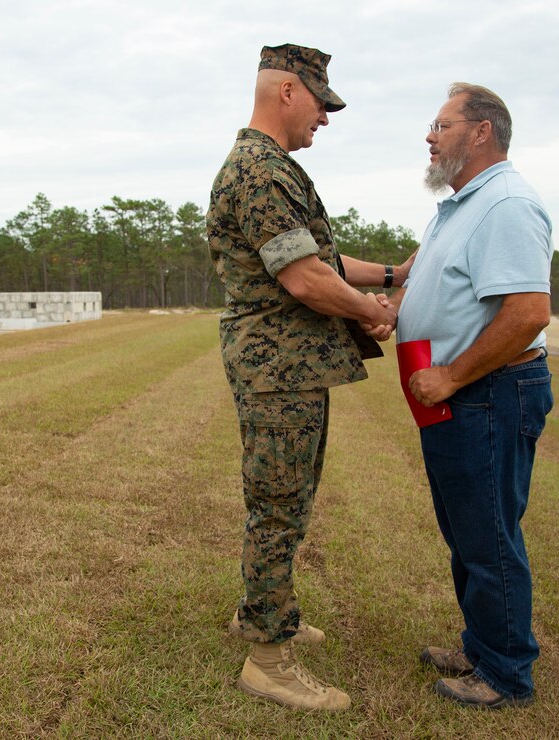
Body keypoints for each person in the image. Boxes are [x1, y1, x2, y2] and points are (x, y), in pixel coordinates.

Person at [207, 43, 407, 711]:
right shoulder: (261, 172)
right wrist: (372, 312)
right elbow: (304, 278)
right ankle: (268, 657)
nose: (324, 118)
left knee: (281, 500)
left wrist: (388, 276)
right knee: (279, 506)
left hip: (284, 363)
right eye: (321, 103)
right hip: (279, 366)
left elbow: (316, 255)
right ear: (288, 91)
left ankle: (261, 610)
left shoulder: (270, 170)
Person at [385, 83, 553, 708]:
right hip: (459, 394)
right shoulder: (457, 207)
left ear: (481, 132)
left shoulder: (505, 204)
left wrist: (453, 376)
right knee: (466, 531)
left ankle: (506, 671)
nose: (429, 136)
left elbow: (529, 311)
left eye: (441, 124)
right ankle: (482, 643)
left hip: (488, 392)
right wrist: (394, 307)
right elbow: (427, 278)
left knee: (488, 536)